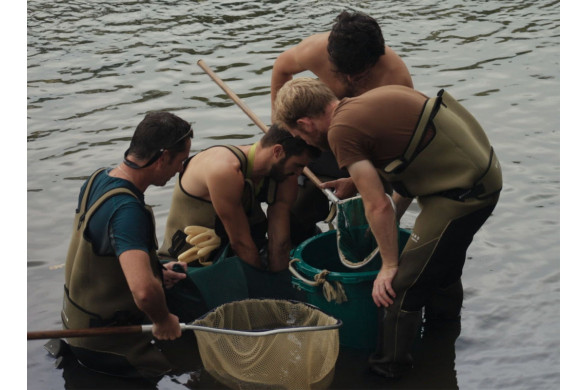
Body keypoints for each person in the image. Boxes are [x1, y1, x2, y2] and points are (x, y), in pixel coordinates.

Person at [273, 78, 502, 378]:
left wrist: (390, 265)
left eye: (296, 134)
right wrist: (360, 188)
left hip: (464, 193)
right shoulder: (367, 100)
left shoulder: (340, 132)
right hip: (477, 174)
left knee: (398, 289)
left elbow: (377, 205)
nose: (301, 140)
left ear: (305, 123)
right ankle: (443, 337)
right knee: (439, 263)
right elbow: (407, 163)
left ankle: (387, 370)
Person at [61, 111, 194, 379]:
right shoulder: (127, 211)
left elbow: (103, 254)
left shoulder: (98, 179)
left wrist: (157, 270)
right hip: (106, 344)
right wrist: (163, 320)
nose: (181, 169)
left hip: (73, 325)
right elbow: (144, 292)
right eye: (180, 161)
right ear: (163, 156)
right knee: (190, 368)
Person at [270, 10, 413, 244]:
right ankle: (298, 243)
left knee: (374, 220)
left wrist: (355, 181)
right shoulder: (315, 50)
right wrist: (281, 126)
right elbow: (281, 68)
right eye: (342, 73)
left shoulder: (397, 82)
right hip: (323, 138)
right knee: (292, 198)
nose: (350, 81)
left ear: (374, 60)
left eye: (359, 75)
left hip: (372, 152)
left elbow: (398, 151)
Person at [159, 124, 321, 272]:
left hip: (234, 254)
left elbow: (280, 244)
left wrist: (279, 282)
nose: (299, 173)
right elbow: (241, 244)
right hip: (187, 264)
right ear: (277, 151)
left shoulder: (286, 174)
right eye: (298, 165)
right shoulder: (223, 169)